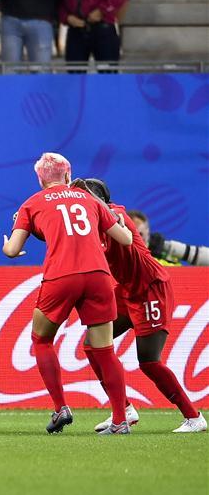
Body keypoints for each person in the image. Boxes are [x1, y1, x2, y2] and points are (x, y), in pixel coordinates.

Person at [3, 153, 133, 434]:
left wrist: (7, 244)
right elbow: (126, 239)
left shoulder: (32, 203)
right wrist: (119, 223)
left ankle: (61, 407)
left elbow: (12, 250)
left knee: (41, 339)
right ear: (68, 174)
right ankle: (121, 419)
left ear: (40, 179)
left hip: (61, 276)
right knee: (105, 350)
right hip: (98, 276)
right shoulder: (90, 200)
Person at [72, 179, 205, 433]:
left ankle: (194, 417)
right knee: (92, 345)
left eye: (81, 199)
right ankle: (124, 410)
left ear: (93, 199)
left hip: (151, 288)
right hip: (127, 291)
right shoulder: (91, 225)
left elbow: (113, 219)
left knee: (149, 362)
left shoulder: (116, 213)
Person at [59, 0, 130, 65]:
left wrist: (102, 11)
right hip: (76, 30)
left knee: (107, 76)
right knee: (74, 77)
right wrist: (66, 17)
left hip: (103, 28)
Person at [127, 210, 208, 267]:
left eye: (140, 234)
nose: (138, 238)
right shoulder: (119, 253)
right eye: (133, 234)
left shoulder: (164, 248)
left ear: (147, 232)